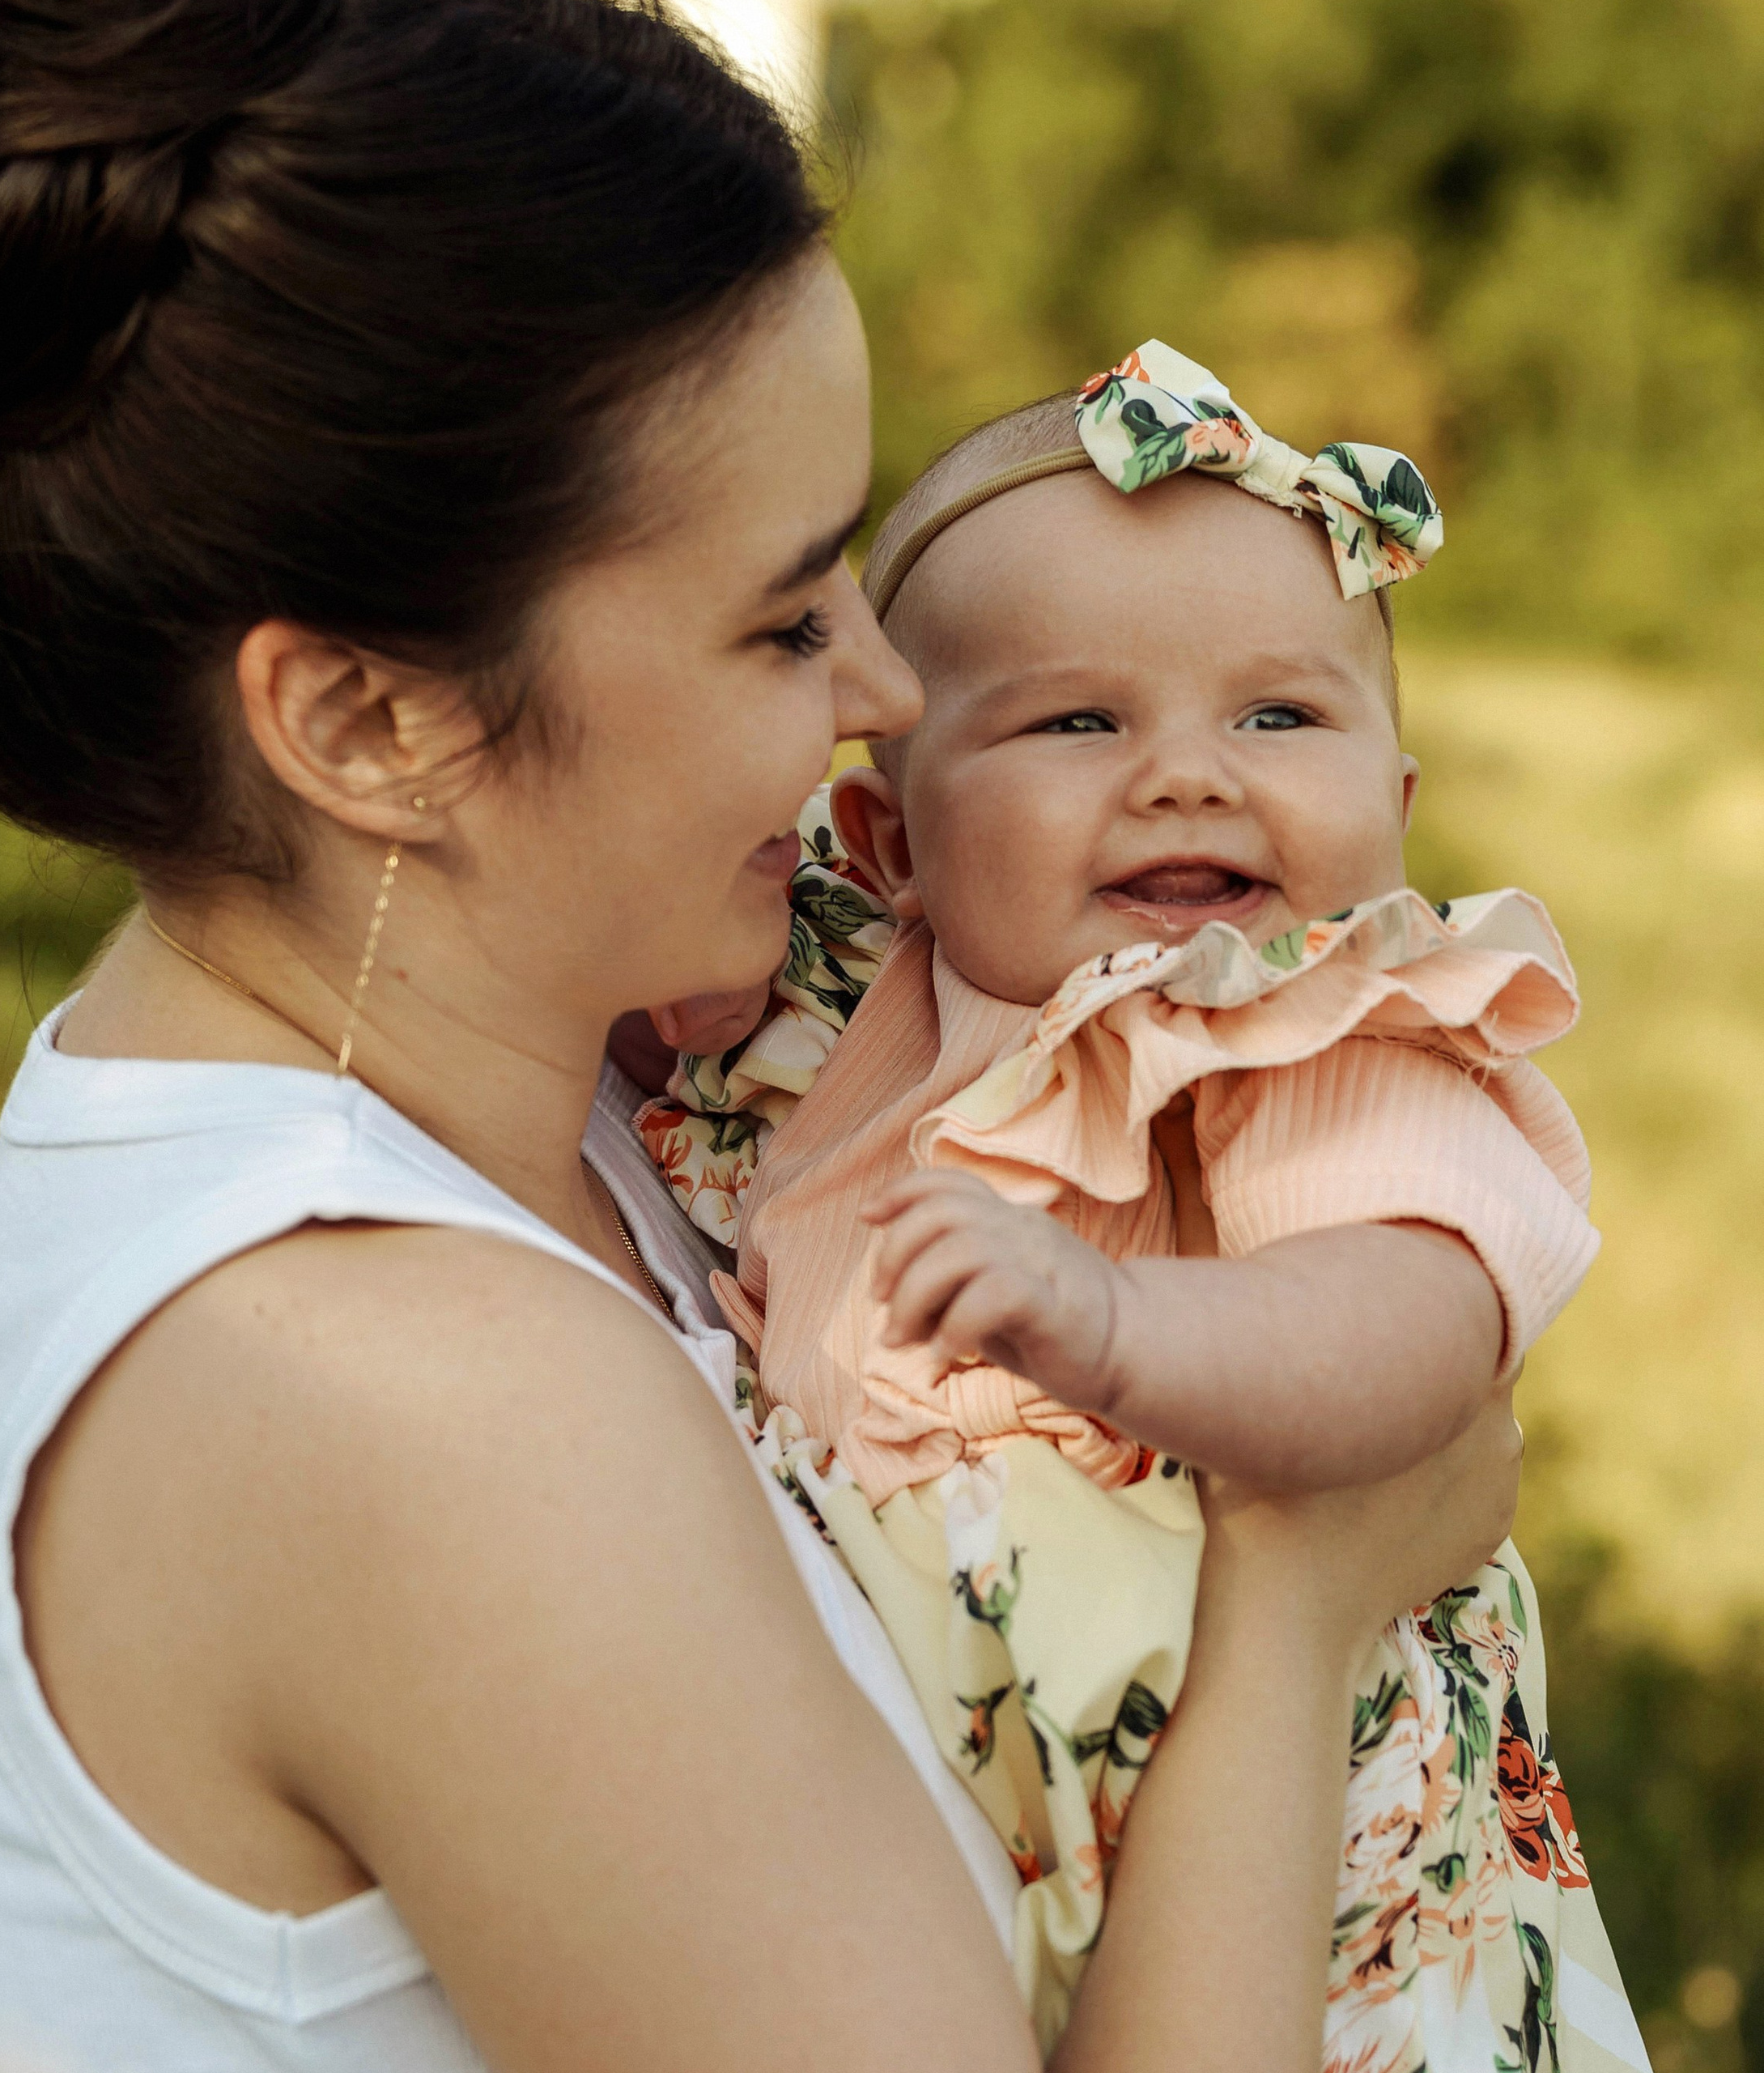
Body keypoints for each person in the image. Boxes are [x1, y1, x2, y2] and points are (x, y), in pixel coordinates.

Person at [0, 12, 1522, 2071]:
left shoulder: (566, 1107)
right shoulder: (409, 1395)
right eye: (776, 618)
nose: (882, 687)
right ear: (368, 724)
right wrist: (1299, 1596)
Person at [639, 343, 1650, 2071]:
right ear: (885, 840)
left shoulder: (1306, 1025)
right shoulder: (882, 990)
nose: (1187, 772)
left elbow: (1413, 1328)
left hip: (1324, 1885)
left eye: (1276, 714)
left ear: (1392, 813)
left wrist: (1114, 1324)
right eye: (1076, 718)